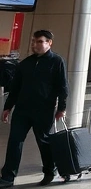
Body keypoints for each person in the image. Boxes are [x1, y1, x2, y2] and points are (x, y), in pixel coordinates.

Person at [0, 30, 69, 188]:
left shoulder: (57, 61)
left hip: (43, 110)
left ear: (49, 43)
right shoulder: (25, 63)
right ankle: (8, 176)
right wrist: (7, 107)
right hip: (22, 111)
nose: (35, 45)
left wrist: (62, 108)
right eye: (33, 41)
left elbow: (63, 87)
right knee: (15, 142)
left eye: (39, 41)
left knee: (44, 142)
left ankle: (50, 171)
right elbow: (15, 88)